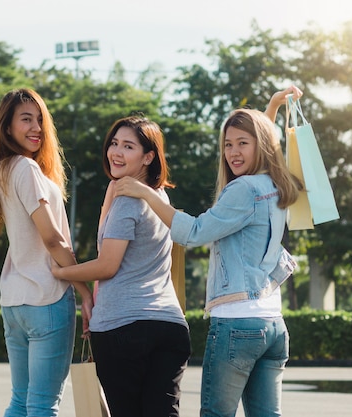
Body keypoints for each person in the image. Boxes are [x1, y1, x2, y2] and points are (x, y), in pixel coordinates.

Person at [114, 86, 304, 417]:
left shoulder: (243, 189)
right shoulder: (276, 184)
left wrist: (147, 194)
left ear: (260, 145)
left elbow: (194, 232)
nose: (233, 152)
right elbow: (267, 143)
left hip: (236, 323)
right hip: (273, 325)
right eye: (228, 144)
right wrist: (272, 107)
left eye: (243, 143)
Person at [0, 88, 93, 417]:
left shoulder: (3, 169)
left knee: (21, 401)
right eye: (26, 120)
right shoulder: (27, 170)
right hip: (46, 297)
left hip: (14, 301)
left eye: (40, 120)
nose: (36, 128)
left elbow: (5, 122)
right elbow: (53, 240)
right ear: (9, 127)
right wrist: (84, 291)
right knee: (43, 405)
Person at [50, 114, 191, 417]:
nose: (116, 152)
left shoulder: (129, 200)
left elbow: (108, 264)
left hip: (124, 328)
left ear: (148, 157)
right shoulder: (159, 197)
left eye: (128, 146)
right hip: (170, 325)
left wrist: (61, 272)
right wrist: (109, 195)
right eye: (114, 143)